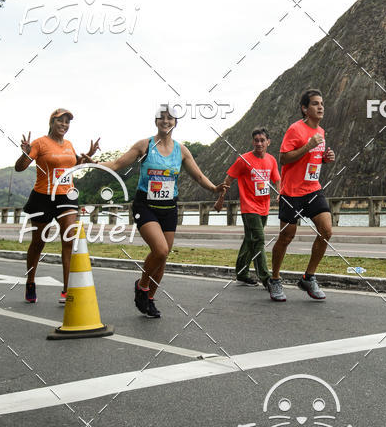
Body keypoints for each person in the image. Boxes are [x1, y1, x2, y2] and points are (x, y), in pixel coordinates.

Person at [101, 106, 228, 318]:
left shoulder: (182, 150)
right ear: (156, 121)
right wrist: (92, 164)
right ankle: (141, 286)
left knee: (163, 257)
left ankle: (149, 299)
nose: (166, 121)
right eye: (162, 118)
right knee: (160, 250)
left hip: (169, 208)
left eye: (170, 118)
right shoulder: (144, 145)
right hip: (145, 206)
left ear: (176, 123)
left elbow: (198, 176)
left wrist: (214, 188)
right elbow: (116, 164)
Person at [15, 109, 100, 305]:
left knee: (69, 241)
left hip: (66, 197)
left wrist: (87, 157)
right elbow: (20, 167)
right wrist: (25, 153)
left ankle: (67, 290)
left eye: (67, 122)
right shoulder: (39, 143)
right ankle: (30, 281)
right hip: (42, 197)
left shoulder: (69, 145)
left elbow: (71, 166)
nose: (64, 125)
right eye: (60, 121)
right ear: (51, 122)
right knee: (38, 243)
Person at [269, 89, 335, 302]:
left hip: (313, 189)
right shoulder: (295, 129)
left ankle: (309, 277)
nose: (320, 107)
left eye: (322, 103)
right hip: (292, 192)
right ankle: (275, 279)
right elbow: (284, 159)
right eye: (315, 104)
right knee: (286, 237)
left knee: (326, 230)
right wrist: (308, 147)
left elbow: (313, 160)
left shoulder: (322, 132)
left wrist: (325, 158)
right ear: (305, 109)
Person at [213, 127, 280, 287]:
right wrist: (220, 199)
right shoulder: (244, 159)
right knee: (259, 240)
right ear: (253, 142)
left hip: (264, 207)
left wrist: (279, 192)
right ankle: (266, 278)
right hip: (249, 208)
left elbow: (276, 178)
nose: (259, 143)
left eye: (262, 140)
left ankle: (241, 273)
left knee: (250, 240)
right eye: (256, 140)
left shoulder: (271, 160)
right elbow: (228, 179)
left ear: (268, 142)